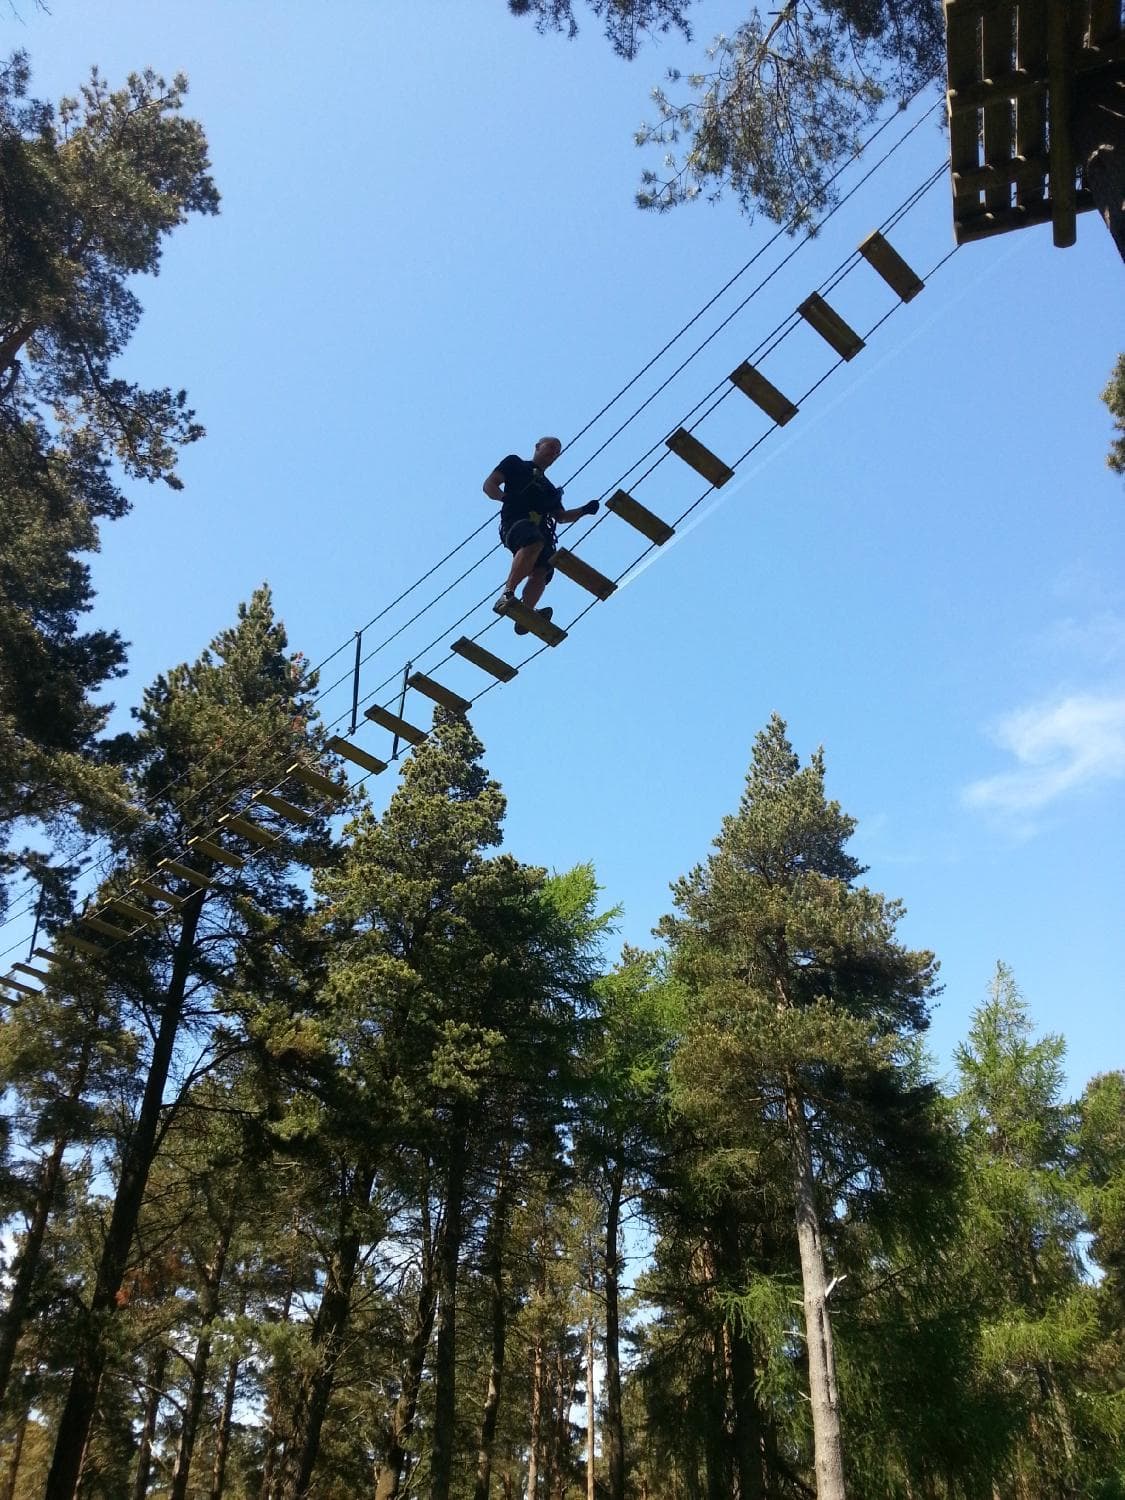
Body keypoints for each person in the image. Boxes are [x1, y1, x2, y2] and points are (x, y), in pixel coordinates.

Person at [483, 436, 599, 632]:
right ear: (537, 447)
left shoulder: (549, 488)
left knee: (544, 567)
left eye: (557, 452)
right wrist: (506, 498)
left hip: (540, 530)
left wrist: (584, 510)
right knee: (533, 542)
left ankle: (525, 613)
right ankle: (507, 593)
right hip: (515, 522)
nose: (553, 453)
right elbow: (489, 485)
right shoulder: (515, 464)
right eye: (551, 447)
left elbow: (560, 517)